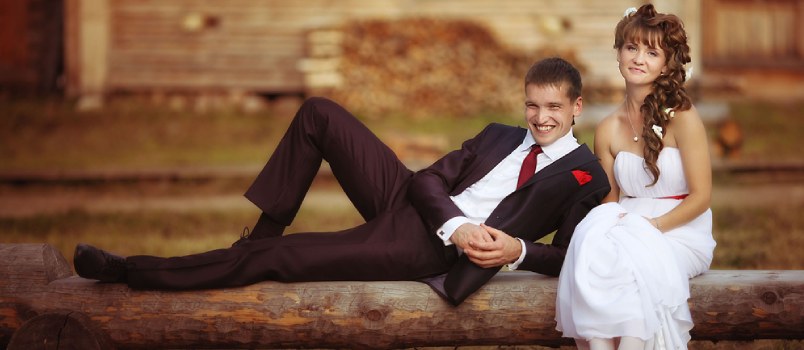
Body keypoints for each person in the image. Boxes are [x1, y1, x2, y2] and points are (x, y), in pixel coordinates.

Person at [73, 57, 610, 306]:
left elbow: (568, 258)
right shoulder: (498, 135)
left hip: (421, 246)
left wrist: (515, 249)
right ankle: (262, 233)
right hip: (419, 205)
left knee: (279, 264)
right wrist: (454, 222)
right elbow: (426, 183)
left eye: (553, 108)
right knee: (320, 113)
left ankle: (131, 272)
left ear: (576, 108)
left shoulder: (585, 174)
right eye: (533, 105)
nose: (541, 118)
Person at [555, 4, 717, 350]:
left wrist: (652, 228)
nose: (639, 58)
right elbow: (610, 201)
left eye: (652, 51)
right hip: (628, 225)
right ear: (618, 53)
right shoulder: (607, 128)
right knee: (593, 259)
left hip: (680, 230)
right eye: (631, 47)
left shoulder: (683, 118)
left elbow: (702, 197)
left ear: (666, 63)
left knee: (632, 270)